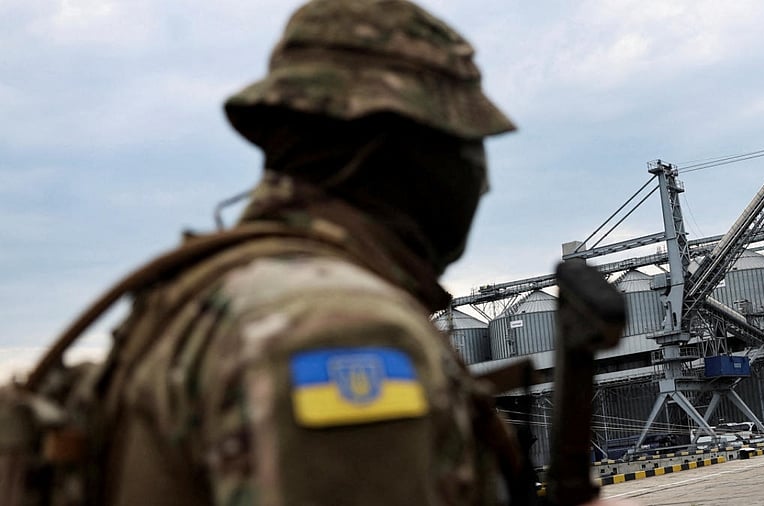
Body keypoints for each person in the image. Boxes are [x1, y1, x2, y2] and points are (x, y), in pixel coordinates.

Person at [6, 1, 627, 504]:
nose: (481, 179)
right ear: (396, 146)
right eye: (468, 145)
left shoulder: (202, 298)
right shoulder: (335, 328)